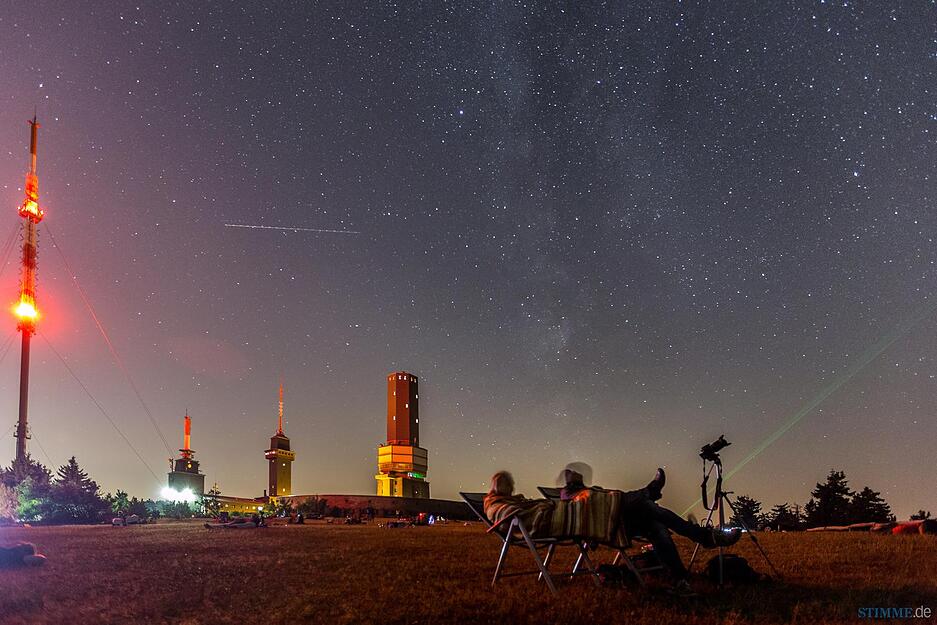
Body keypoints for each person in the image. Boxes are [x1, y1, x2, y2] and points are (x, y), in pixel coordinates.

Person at [484, 470, 740, 596]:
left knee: (655, 519)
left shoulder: (579, 492)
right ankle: (702, 538)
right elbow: (516, 516)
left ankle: (682, 578)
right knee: (651, 512)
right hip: (586, 521)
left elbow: (591, 501)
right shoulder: (497, 504)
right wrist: (543, 507)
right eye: (507, 486)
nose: (511, 489)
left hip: (611, 520)